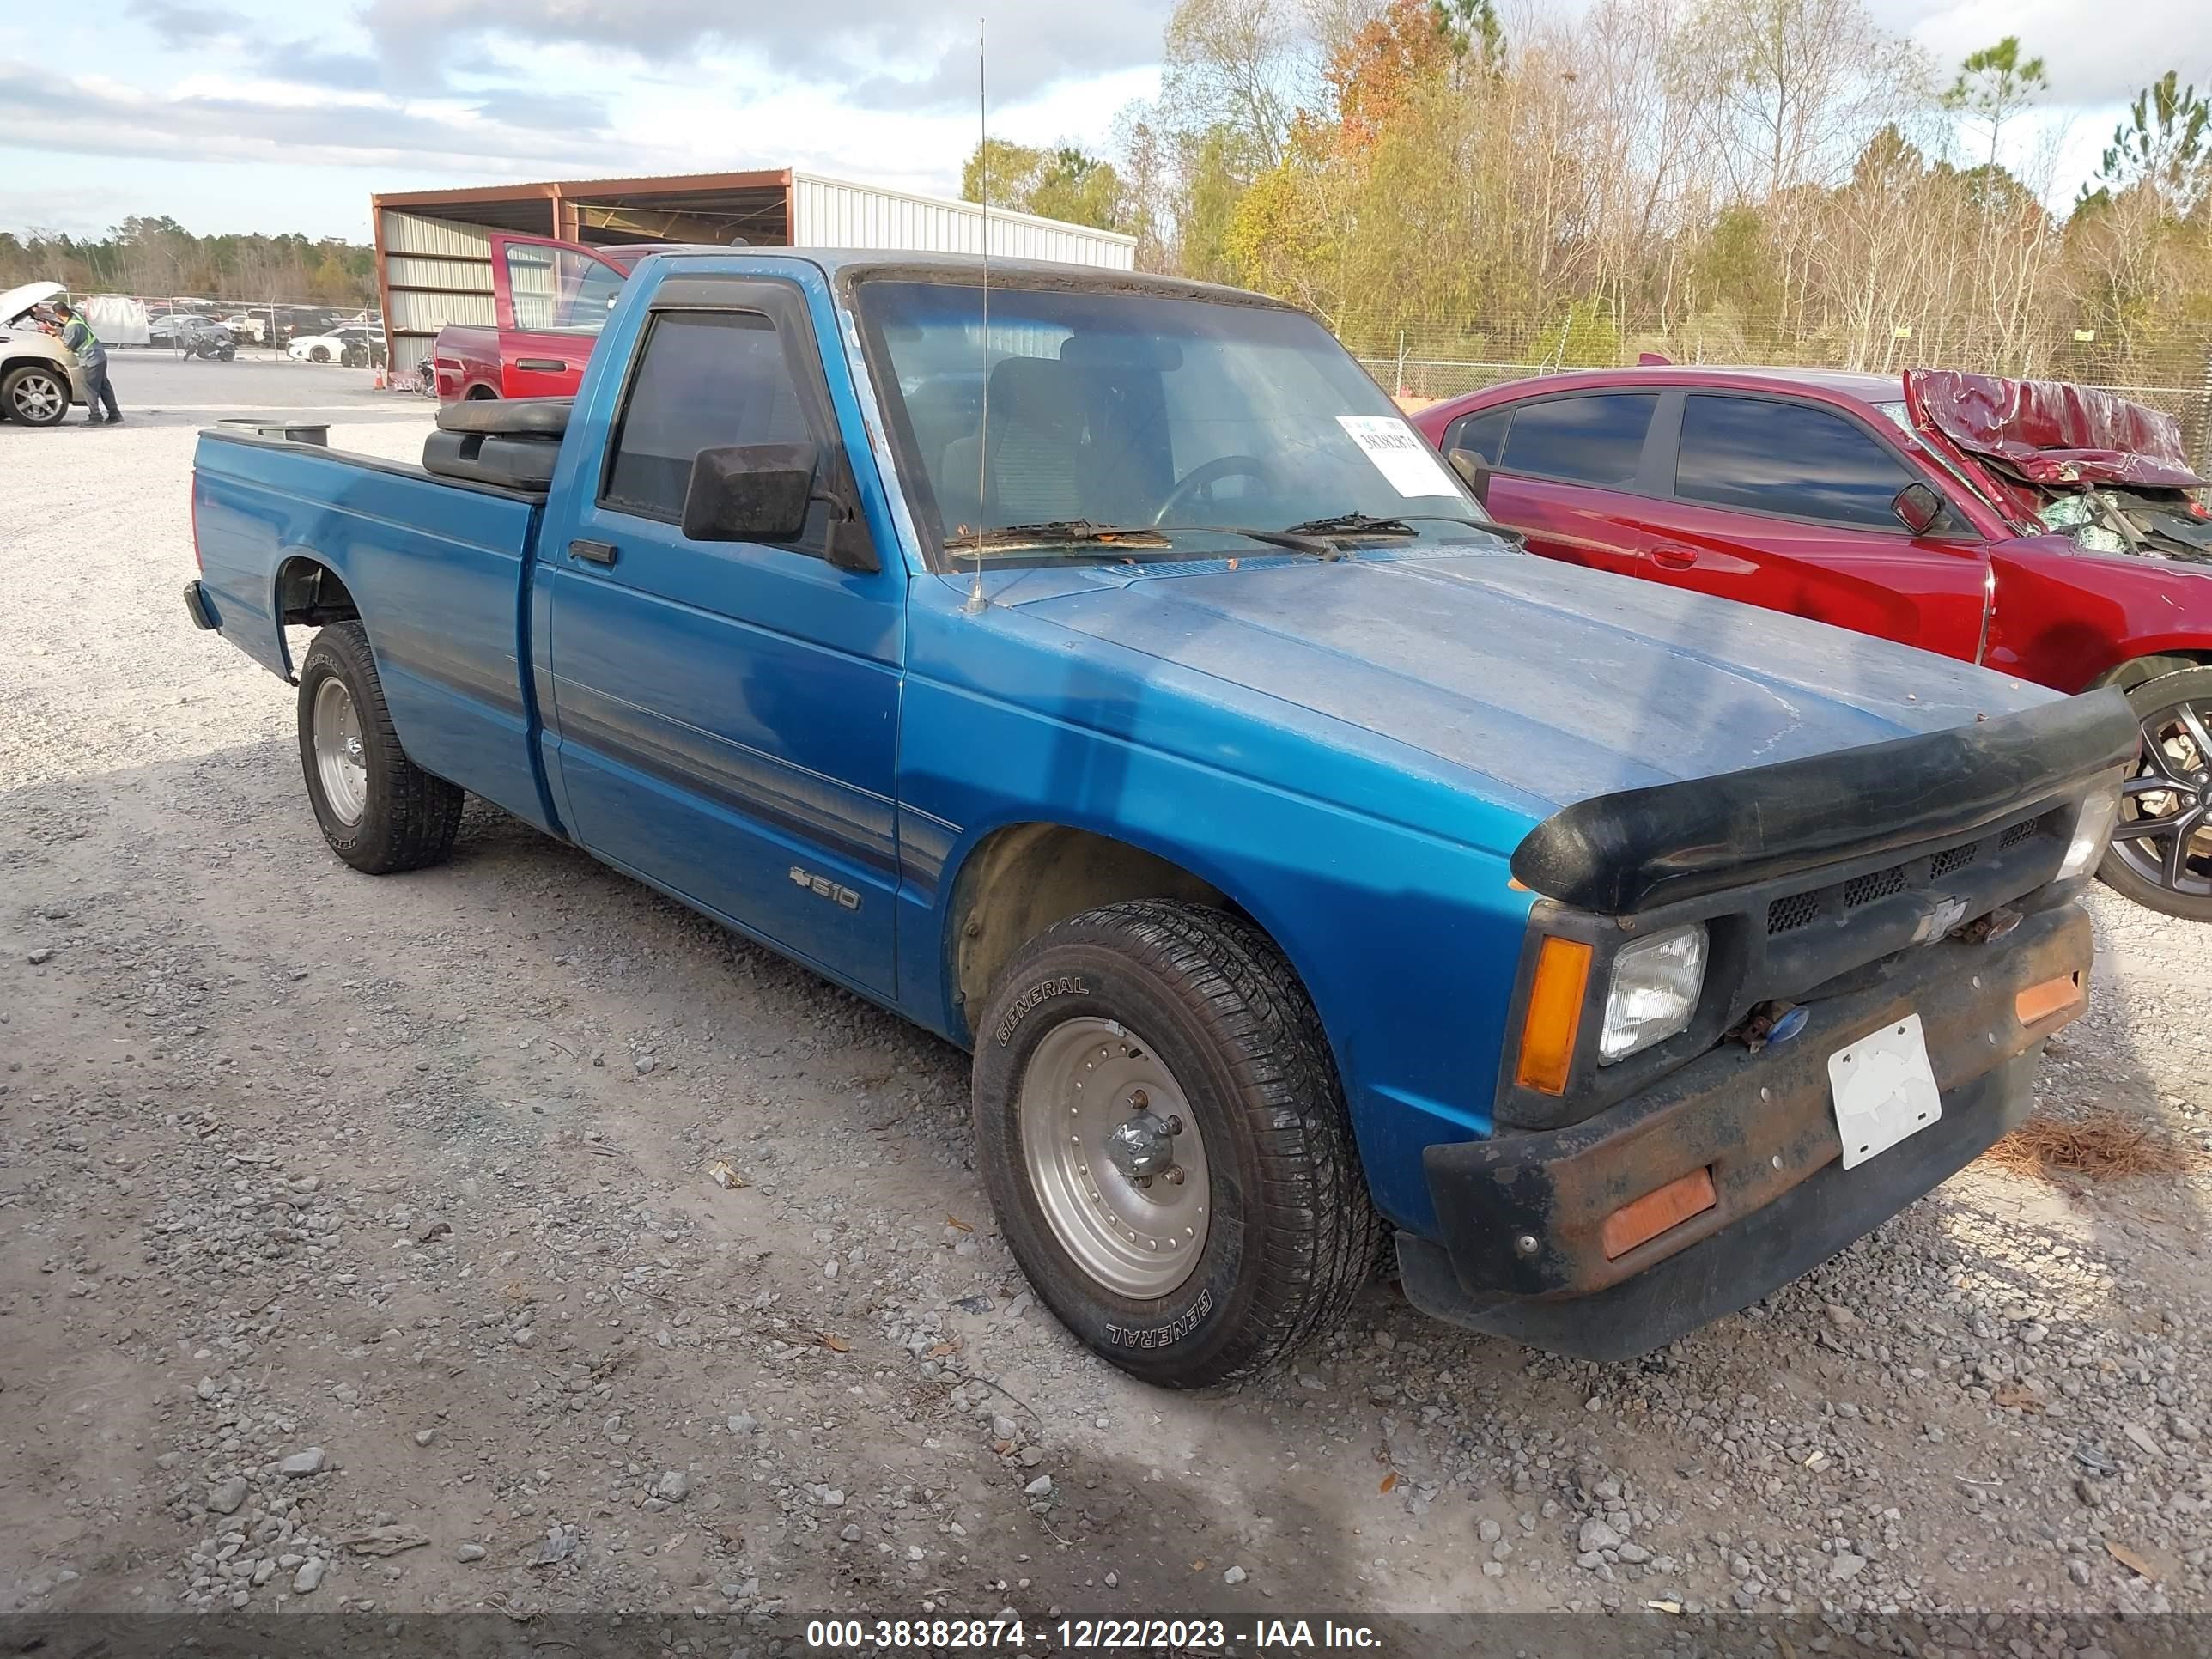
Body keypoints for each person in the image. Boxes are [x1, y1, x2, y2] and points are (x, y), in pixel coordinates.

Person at [44, 299, 122, 425]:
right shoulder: (76, 317)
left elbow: (67, 345)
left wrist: (53, 334)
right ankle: (115, 414)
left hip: (89, 359)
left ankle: (95, 417)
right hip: (99, 356)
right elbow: (72, 332)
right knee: (104, 387)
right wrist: (55, 329)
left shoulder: (72, 327)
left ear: (58, 314)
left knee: (89, 388)